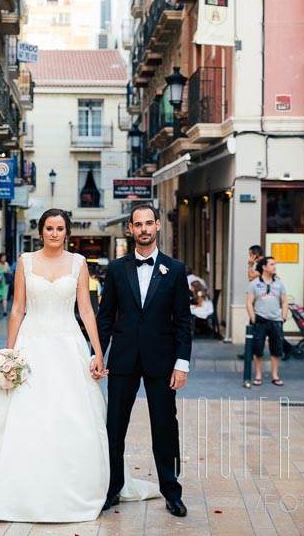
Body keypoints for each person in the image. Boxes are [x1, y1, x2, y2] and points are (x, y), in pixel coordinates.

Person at [0, 209, 157, 521]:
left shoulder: (78, 263)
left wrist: (98, 353)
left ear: (67, 233)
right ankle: (15, 484)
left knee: (72, 414)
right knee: (22, 413)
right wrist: (9, 352)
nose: (55, 233)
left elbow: (87, 311)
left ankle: (79, 484)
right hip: (30, 346)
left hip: (68, 345)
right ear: (41, 231)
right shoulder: (25, 261)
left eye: (60, 228)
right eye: (49, 228)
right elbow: (17, 309)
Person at [96, 204, 193, 518]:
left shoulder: (175, 270)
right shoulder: (115, 268)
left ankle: (171, 491)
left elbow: (183, 321)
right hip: (123, 359)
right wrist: (97, 354)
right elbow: (105, 317)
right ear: (130, 229)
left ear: (158, 226)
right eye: (138, 224)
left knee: (164, 427)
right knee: (115, 427)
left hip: (162, 361)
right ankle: (113, 489)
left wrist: (182, 364)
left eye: (148, 223)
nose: (144, 229)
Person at [246, 257, 287, 386]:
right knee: (257, 348)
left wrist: (283, 316)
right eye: (272, 264)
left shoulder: (279, 284)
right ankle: (258, 375)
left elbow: (284, 301)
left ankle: (275, 375)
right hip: (260, 319)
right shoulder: (254, 284)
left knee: (276, 348)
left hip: (275, 320)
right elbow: (249, 302)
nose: (274, 267)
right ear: (264, 267)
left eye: (275, 264)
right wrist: (253, 317)